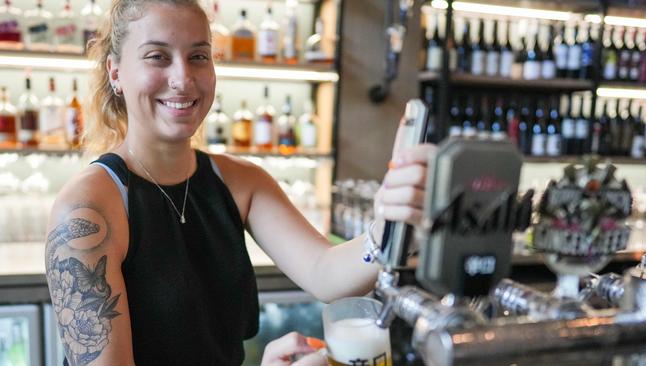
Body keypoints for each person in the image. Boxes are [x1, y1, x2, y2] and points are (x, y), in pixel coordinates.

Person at [44, 0, 434, 365]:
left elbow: (325, 272)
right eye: (157, 57)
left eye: (198, 56)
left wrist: (391, 226)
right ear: (116, 72)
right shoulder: (87, 210)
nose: (183, 78)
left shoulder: (238, 181)